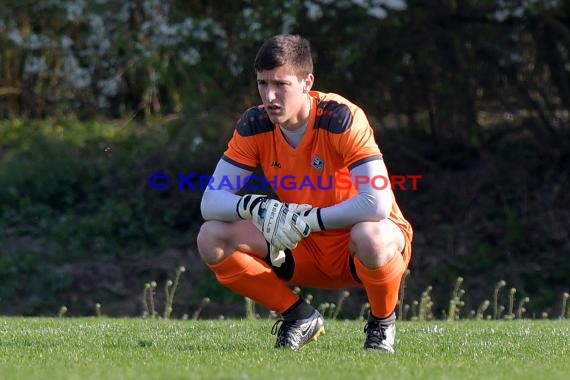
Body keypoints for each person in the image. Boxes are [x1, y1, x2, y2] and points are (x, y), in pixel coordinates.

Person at [197, 34, 412, 352]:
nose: (269, 95)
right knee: (210, 236)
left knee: (373, 236)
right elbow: (210, 202)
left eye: (280, 84)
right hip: (301, 245)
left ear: (306, 82)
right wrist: (256, 206)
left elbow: (376, 202)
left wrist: (311, 219)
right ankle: (298, 316)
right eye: (262, 83)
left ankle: (382, 324)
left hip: (358, 246)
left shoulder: (340, 118)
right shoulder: (255, 124)